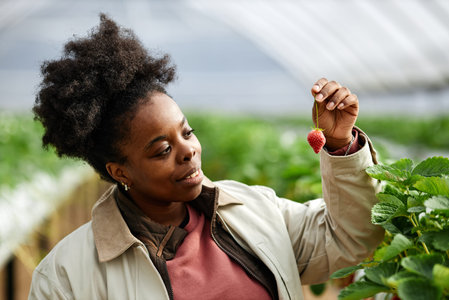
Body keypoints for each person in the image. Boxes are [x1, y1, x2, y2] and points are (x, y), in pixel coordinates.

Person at [29, 14, 384, 300]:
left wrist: (340, 145)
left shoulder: (254, 211)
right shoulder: (65, 277)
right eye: (163, 151)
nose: (188, 151)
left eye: (187, 132)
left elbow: (352, 238)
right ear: (120, 170)